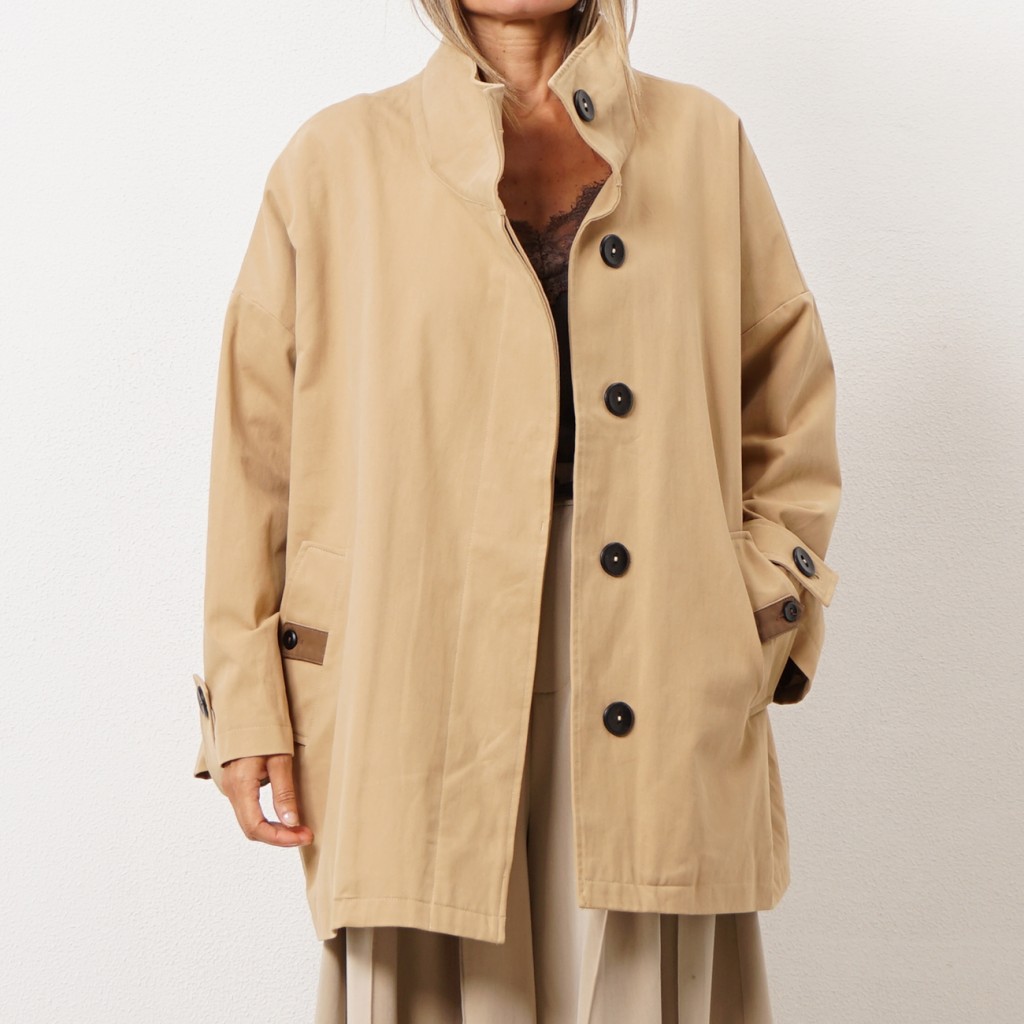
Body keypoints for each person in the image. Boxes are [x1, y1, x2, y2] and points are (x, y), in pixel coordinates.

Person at [189, 1, 842, 1020]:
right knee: (430, 960)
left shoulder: (703, 145)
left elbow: (788, 414)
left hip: (659, 655)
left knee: (644, 967)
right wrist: (246, 702)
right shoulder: (334, 163)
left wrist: (748, 613)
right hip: (405, 665)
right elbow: (254, 453)